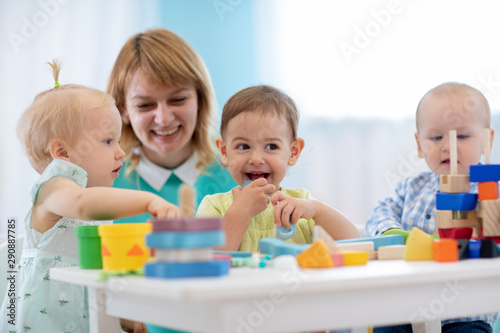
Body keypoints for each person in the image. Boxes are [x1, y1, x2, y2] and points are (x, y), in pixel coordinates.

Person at [0, 60, 181, 333]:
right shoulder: (55, 189)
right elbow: (83, 205)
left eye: (118, 141)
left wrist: (123, 317)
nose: (120, 152)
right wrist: (148, 201)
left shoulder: (94, 208)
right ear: (62, 153)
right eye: (108, 141)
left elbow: (99, 282)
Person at [366, 82, 496, 332]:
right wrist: (391, 234)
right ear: (419, 144)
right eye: (436, 137)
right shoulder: (411, 188)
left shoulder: (490, 190)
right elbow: (380, 212)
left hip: (467, 313)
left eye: (462, 136)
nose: (448, 146)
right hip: (406, 308)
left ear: (487, 140)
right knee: (386, 326)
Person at [196, 85, 359, 251]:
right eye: (244, 146)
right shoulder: (214, 206)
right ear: (224, 151)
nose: (256, 159)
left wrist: (317, 210)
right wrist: (240, 211)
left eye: (271, 146)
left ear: (293, 152)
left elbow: (355, 243)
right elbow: (206, 260)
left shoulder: (301, 203)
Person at [107, 28, 237, 223]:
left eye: (178, 100)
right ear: (122, 109)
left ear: (200, 99)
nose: (164, 119)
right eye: (144, 105)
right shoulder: (104, 180)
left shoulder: (238, 166)